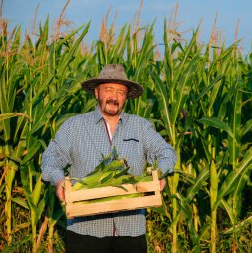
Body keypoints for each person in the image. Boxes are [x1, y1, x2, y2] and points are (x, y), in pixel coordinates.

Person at [41, 64, 177, 253]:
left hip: (130, 231)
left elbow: (166, 152)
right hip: (85, 230)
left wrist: (160, 173)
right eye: (109, 90)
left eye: (121, 92)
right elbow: (51, 157)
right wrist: (57, 181)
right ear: (97, 93)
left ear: (126, 97)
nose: (114, 97)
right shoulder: (75, 126)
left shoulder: (140, 127)